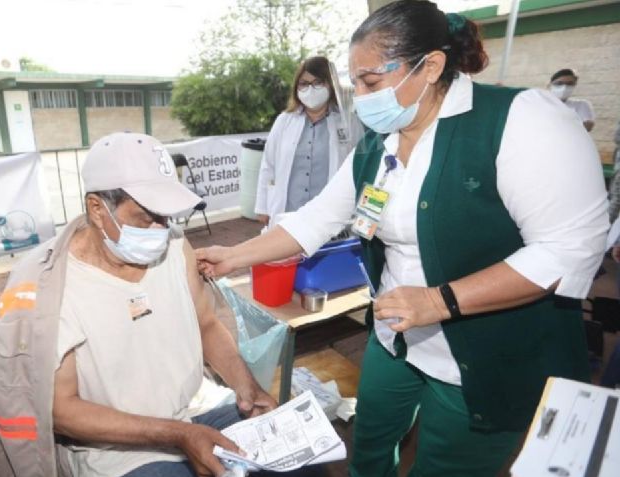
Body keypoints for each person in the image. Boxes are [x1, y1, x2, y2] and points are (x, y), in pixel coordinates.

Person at [196, 1, 608, 476]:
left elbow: (566, 250)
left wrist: (439, 301)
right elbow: (314, 220)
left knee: (445, 464)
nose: (363, 96)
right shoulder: (378, 144)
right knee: (369, 446)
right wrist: (232, 256)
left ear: (430, 66)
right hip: (397, 338)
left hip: (482, 356)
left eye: (372, 82)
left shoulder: (520, 121)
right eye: (356, 84)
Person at [0, 132, 279, 477]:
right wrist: (180, 435)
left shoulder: (175, 248)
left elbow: (206, 323)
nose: (160, 228)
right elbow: (59, 409)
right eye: (145, 216)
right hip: (119, 451)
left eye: (167, 216)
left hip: (197, 408)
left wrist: (247, 387)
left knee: (292, 466)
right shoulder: (50, 287)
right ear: (97, 208)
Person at [255, 56, 361, 226]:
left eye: (318, 82)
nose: (311, 89)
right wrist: (262, 207)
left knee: (326, 250)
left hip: (329, 215)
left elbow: (359, 167)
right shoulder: (284, 121)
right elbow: (268, 165)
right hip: (288, 212)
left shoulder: (349, 123)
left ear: (331, 85)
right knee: (285, 252)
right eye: (304, 83)